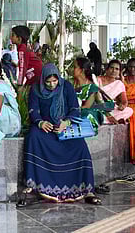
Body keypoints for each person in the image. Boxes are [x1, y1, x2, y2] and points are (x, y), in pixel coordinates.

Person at [22, 63, 101, 205]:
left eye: (54, 81)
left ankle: (87, 190)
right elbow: (33, 110)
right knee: (32, 137)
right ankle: (32, 187)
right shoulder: (35, 89)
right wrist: (40, 123)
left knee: (80, 145)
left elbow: (74, 109)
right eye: (48, 82)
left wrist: (66, 123)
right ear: (43, 80)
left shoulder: (66, 87)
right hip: (46, 129)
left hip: (64, 128)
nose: (52, 85)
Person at [72, 57, 106, 131]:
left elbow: (87, 106)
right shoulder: (71, 84)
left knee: (85, 113)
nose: (72, 70)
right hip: (74, 111)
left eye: (75, 67)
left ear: (82, 70)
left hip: (87, 112)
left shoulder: (92, 87)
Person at [96, 60, 133, 124]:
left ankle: (104, 120)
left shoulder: (119, 84)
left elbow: (124, 101)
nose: (114, 71)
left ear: (119, 72)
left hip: (109, 109)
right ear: (107, 69)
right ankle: (109, 120)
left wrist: (123, 106)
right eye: (111, 68)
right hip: (97, 107)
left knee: (129, 110)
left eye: (117, 69)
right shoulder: (97, 79)